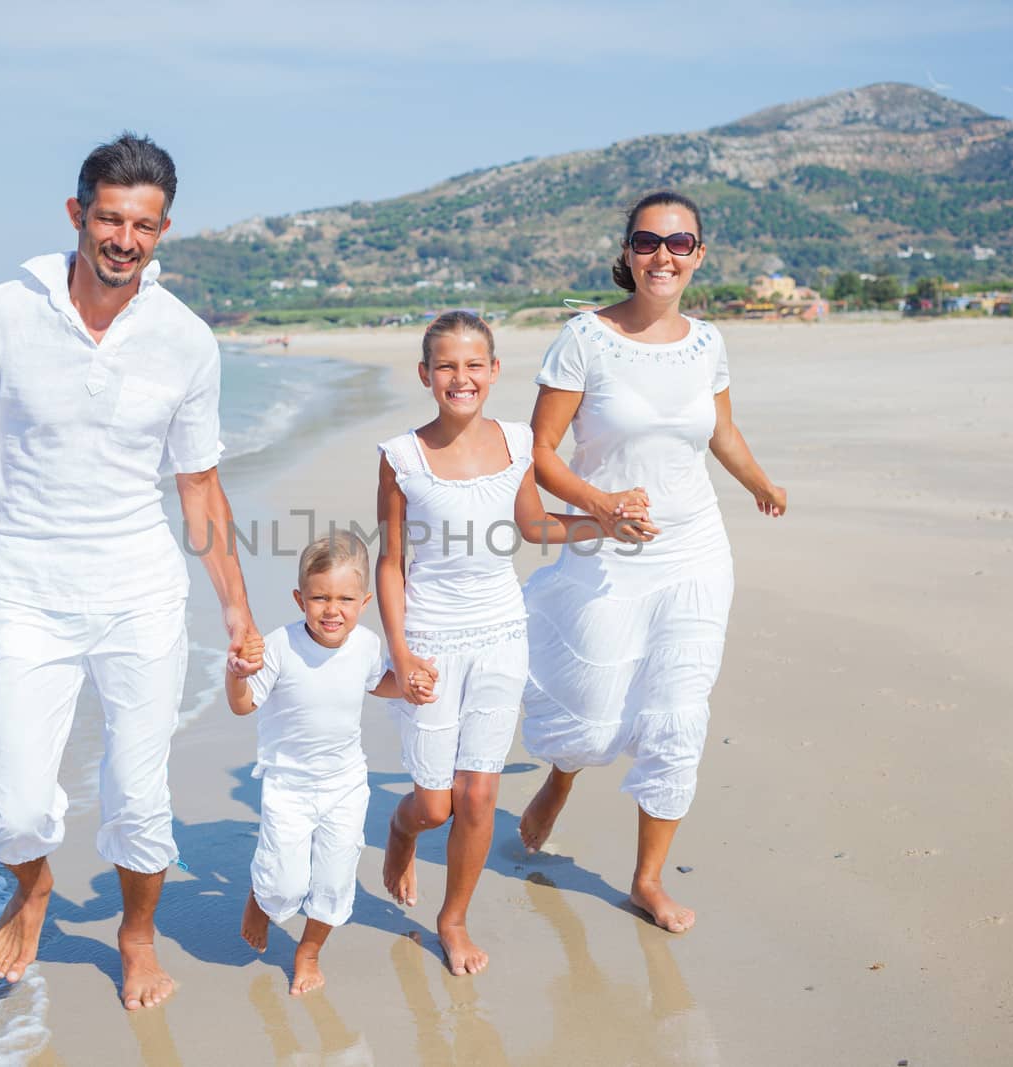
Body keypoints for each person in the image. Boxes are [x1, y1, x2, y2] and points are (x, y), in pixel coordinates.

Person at [0, 132, 259, 1010]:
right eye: (109, 218)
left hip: (140, 593)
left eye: (143, 224)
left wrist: (239, 614)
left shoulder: (185, 341)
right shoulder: (0, 313)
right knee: (16, 806)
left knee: (139, 798)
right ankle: (33, 883)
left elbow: (200, 486)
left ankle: (137, 937)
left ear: (164, 229)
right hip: (25, 591)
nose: (124, 239)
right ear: (77, 215)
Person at [517, 191, 787, 934]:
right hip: (609, 552)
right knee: (594, 710)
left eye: (679, 242)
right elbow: (540, 452)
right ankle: (561, 776)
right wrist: (600, 507)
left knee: (679, 712)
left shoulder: (709, 341)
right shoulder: (584, 339)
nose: (662, 255)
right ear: (627, 253)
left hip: (695, 548)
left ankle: (646, 878)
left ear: (699, 255)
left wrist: (759, 482)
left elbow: (721, 430)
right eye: (647, 241)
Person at [375, 311, 612, 974]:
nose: (461, 376)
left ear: (494, 371)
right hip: (428, 640)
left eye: (474, 364)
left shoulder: (515, 442)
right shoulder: (401, 457)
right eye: (446, 365)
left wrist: (604, 524)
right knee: (432, 802)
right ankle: (399, 833)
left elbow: (534, 525)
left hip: (502, 634)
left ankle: (453, 918)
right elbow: (390, 561)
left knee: (478, 796)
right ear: (426, 375)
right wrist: (399, 649)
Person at [226, 532, 427, 995]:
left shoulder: (366, 645)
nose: (331, 609)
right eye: (319, 597)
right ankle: (262, 899)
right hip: (288, 786)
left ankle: (310, 950)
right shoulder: (279, 646)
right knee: (284, 885)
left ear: (365, 601)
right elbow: (243, 706)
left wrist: (410, 685)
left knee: (335, 881)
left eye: (344, 598)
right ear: (300, 598)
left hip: (345, 784)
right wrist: (235, 675)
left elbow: (381, 683)